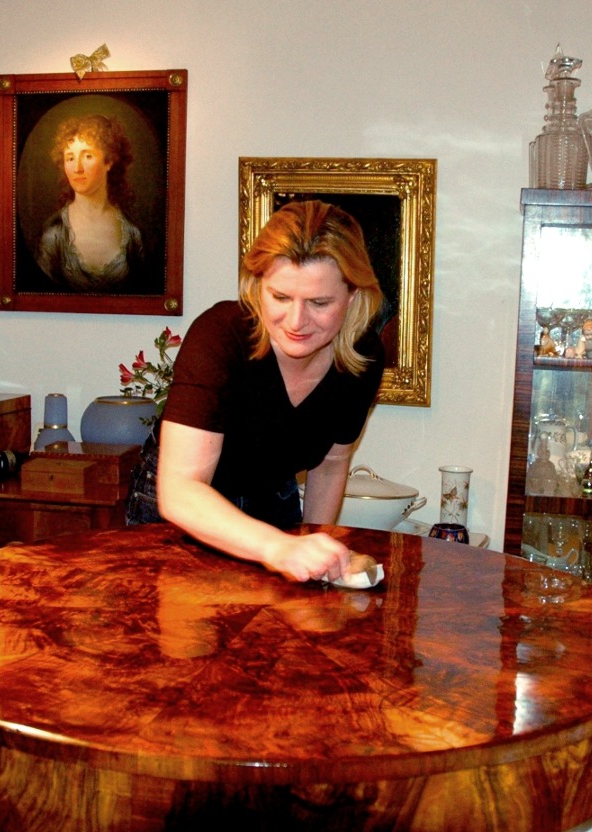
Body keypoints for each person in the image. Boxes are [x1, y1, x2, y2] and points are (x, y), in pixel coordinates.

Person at [126, 199, 385, 583]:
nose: (296, 321)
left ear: (353, 296)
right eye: (280, 297)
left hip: (270, 498)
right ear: (256, 284)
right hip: (184, 509)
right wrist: (279, 548)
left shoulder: (362, 358)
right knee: (180, 636)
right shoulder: (219, 336)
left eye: (319, 302)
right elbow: (181, 489)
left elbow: (331, 464)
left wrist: (316, 548)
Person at [37, 114, 145, 291]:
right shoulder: (53, 233)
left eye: (87, 156)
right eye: (70, 158)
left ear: (108, 161)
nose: (77, 168)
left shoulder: (133, 235)